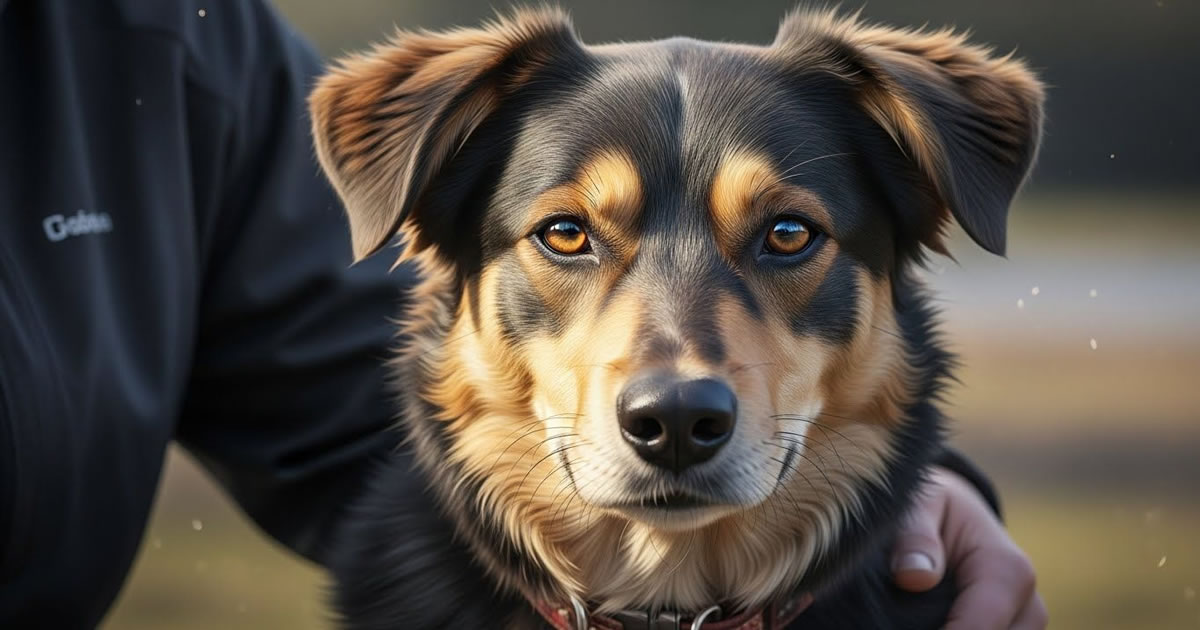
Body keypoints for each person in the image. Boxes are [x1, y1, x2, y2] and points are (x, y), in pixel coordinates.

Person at [0, 0, 1046, 628]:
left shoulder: (135, 34)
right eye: (565, 236)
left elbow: (339, 399)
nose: (675, 381)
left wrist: (931, 497)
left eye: (785, 238)